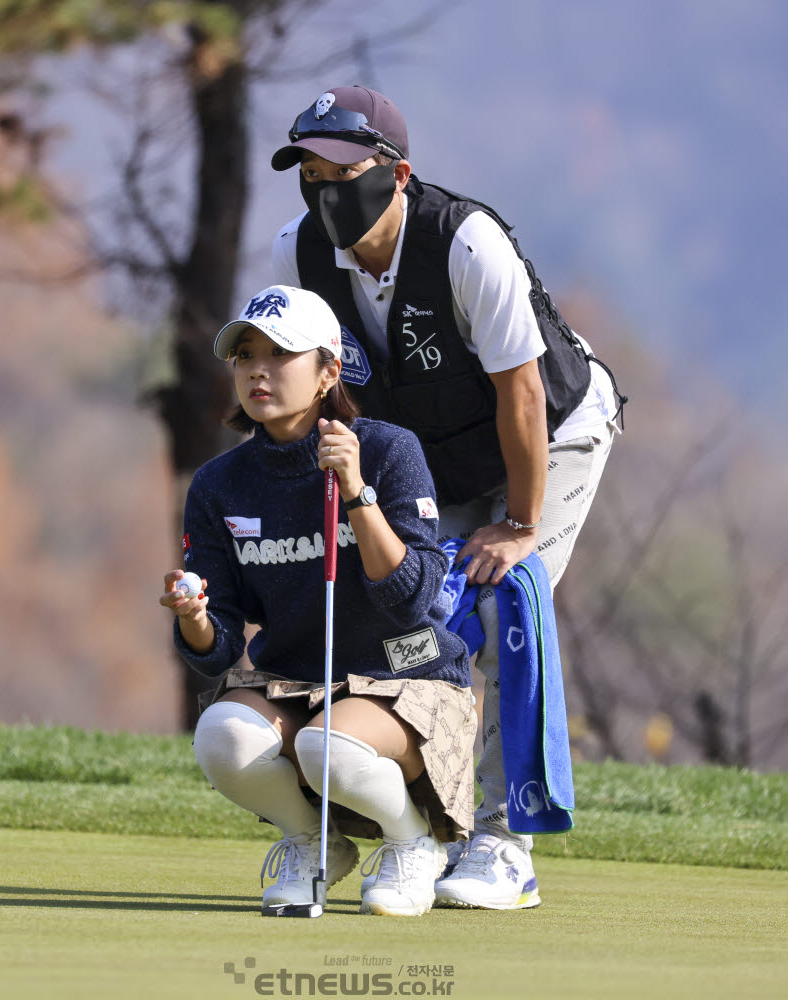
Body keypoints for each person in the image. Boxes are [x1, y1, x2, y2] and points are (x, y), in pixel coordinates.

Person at [270, 86, 625, 910]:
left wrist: (519, 525)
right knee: (408, 616)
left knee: (503, 604)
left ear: (396, 175)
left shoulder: (465, 242)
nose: (325, 189)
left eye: (343, 172)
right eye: (310, 172)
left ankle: (504, 846)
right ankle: (425, 832)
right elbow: (304, 376)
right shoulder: (298, 251)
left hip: (554, 436)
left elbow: (524, 396)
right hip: (435, 453)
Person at [160, 284, 477, 917]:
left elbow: (412, 597)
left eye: (280, 355)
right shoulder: (220, 484)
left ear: (328, 371)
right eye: (246, 355)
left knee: (327, 747)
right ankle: (314, 843)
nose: (257, 370)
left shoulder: (387, 451)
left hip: (407, 676)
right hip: (299, 679)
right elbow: (218, 646)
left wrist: (356, 490)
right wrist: (196, 617)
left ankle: (414, 843)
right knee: (221, 736)